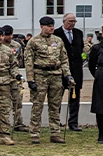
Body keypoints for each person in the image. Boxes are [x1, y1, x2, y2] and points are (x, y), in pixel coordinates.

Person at [25, 16, 72, 144]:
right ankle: (35, 133)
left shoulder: (58, 40)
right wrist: (30, 79)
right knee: (37, 106)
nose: (51, 28)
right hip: (40, 75)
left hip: (56, 75)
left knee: (55, 106)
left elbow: (64, 59)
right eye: (48, 26)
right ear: (42, 26)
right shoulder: (34, 41)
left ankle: (55, 133)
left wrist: (67, 75)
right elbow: (28, 61)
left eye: (52, 25)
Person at [54, 13, 85, 132]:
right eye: (70, 21)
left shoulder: (78, 33)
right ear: (64, 21)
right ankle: (56, 122)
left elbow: (80, 48)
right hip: (61, 70)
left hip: (76, 69)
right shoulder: (57, 33)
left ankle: (73, 122)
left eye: (74, 21)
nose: (72, 23)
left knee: (74, 98)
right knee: (57, 98)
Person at [3, 25, 27, 133]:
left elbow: (20, 60)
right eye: (6, 35)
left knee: (17, 101)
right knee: (1, 103)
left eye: (10, 35)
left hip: (14, 78)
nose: (8, 37)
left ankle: (18, 123)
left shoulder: (17, 46)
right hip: (2, 78)